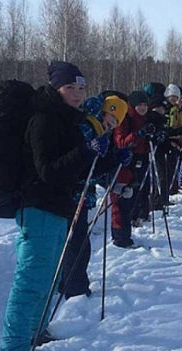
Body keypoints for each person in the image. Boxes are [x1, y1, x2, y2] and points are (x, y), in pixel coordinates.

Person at [0, 61, 100, 351]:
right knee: (31, 278)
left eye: (81, 88)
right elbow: (48, 172)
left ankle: (35, 332)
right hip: (39, 207)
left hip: (58, 208)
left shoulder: (67, 120)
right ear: (56, 88)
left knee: (48, 276)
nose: (77, 93)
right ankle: (14, 348)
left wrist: (105, 159)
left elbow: (74, 168)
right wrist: (84, 151)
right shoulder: (43, 120)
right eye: (70, 87)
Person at [59, 93, 131, 300]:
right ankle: (74, 288)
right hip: (73, 193)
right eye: (112, 118)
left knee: (79, 242)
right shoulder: (87, 127)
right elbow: (82, 164)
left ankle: (71, 284)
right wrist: (103, 158)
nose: (113, 124)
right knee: (77, 243)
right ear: (104, 112)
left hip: (83, 192)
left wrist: (115, 159)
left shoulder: (99, 130)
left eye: (117, 122)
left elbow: (96, 167)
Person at [112, 91, 150, 247]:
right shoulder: (124, 119)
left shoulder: (143, 119)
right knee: (121, 201)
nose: (142, 108)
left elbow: (143, 144)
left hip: (138, 162)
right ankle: (120, 238)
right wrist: (138, 134)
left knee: (131, 198)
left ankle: (125, 235)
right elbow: (121, 143)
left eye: (145, 105)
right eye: (139, 105)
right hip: (124, 164)